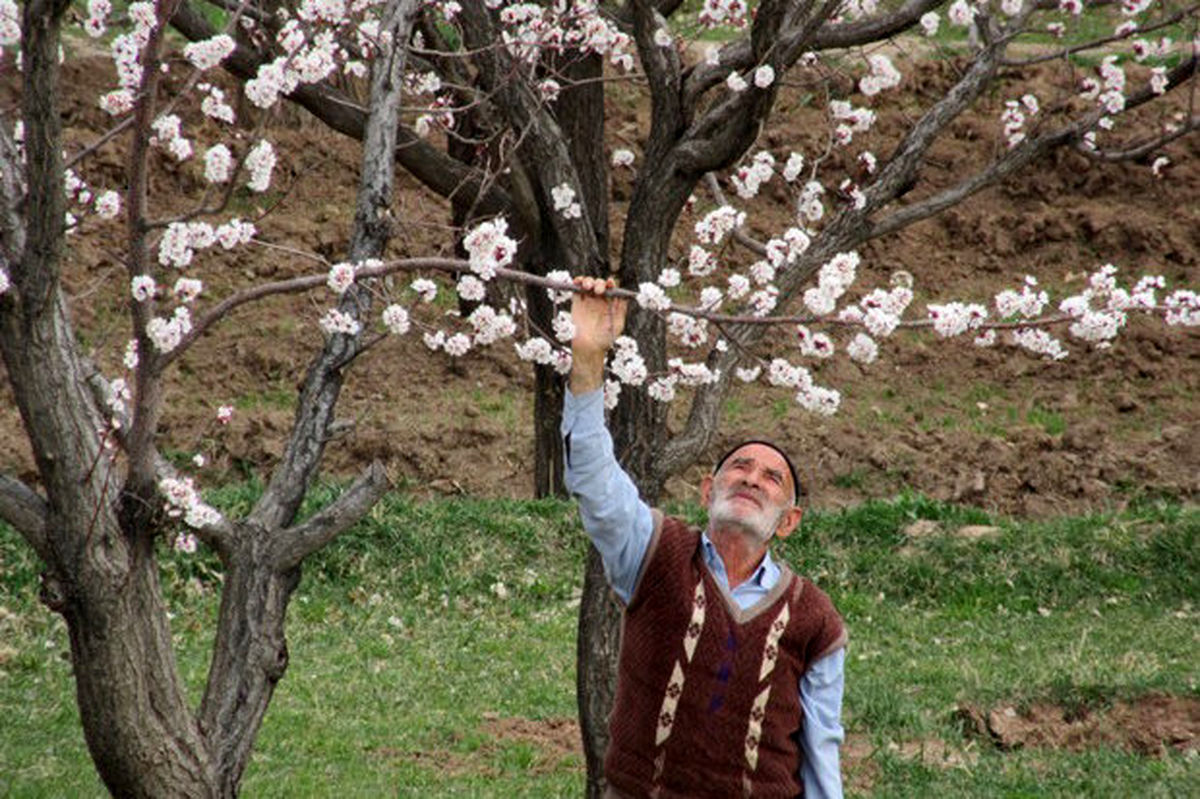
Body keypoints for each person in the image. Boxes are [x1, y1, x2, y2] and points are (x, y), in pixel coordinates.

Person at [562, 276, 848, 799]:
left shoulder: (816, 618)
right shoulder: (652, 553)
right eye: (739, 467)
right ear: (707, 491)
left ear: (788, 522)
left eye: (770, 478)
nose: (750, 479)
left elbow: (821, 746)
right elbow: (594, 480)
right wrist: (587, 360)